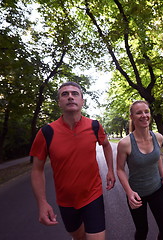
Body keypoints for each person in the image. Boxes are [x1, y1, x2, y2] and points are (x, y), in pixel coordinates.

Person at [30, 81, 115, 240]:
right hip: (66, 201)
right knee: (78, 236)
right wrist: (42, 203)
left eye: (75, 94)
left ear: (82, 101)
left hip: (93, 194)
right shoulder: (46, 132)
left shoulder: (94, 126)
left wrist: (110, 170)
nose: (70, 97)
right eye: (65, 94)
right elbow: (36, 169)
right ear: (59, 103)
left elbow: (107, 146)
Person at [116, 100, 163, 240]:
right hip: (136, 194)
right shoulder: (125, 144)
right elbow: (119, 169)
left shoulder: (158, 137)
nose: (144, 115)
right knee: (142, 231)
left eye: (146, 112)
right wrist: (129, 192)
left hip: (156, 189)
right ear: (132, 117)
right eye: (139, 113)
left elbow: (157, 157)